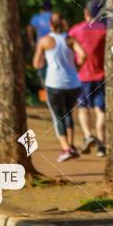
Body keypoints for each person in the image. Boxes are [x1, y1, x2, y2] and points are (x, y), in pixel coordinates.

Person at [33, 12, 86, 162]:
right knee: (68, 113)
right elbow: (83, 54)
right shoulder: (70, 40)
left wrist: (43, 62)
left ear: (50, 25)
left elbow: (37, 63)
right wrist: (77, 67)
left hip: (54, 83)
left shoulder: (45, 41)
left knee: (58, 116)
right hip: (73, 83)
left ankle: (66, 148)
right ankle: (71, 145)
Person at [69, 0, 107, 156]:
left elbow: (67, 50)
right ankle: (101, 145)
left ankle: (87, 136)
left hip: (82, 76)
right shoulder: (105, 30)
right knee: (100, 111)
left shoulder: (75, 31)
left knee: (83, 109)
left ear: (86, 12)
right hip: (101, 75)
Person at [28, 1, 53, 86]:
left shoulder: (37, 17)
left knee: (40, 67)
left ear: (41, 9)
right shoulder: (53, 16)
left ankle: (45, 88)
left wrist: (32, 41)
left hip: (41, 47)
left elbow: (29, 28)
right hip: (54, 46)